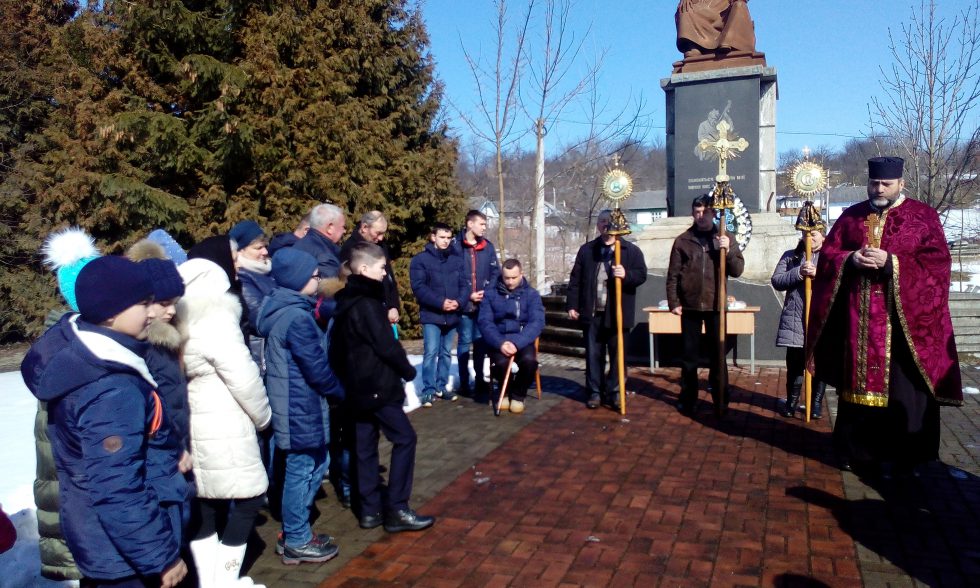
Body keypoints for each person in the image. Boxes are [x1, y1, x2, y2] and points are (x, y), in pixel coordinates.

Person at [23, 255, 187, 588]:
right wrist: (160, 557)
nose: (152, 312)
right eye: (143, 304)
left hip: (105, 539)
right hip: (124, 554)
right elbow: (117, 486)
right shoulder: (110, 387)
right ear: (111, 313)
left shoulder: (91, 356)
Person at [807, 156, 963, 476]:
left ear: (901, 184)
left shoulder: (923, 217)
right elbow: (828, 258)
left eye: (886, 184)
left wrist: (892, 263)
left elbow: (937, 268)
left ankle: (909, 456)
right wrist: (850, 259)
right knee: (856, 392)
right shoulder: (851, 217)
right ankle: (857, 452)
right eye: (874, 183)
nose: (878, 188)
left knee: (904, 391)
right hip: (860, 323)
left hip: (904, 327)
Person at [177, 257, 271, 587]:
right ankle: (224, 579)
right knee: (248, 499)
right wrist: (264, 417)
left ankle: (209, 579)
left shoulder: (180, 321)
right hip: (226, 422)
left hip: (194, 421)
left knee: (205, 502)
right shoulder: (217, 320)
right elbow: (244, 377)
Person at [330, 242, 435, 533]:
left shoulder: (345, 300)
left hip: (357, 387)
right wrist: (406, 369)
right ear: (364, 268)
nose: (384, 273)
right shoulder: (366, 303)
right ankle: (397, 508)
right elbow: (385, 345)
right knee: (405, 439)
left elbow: (337, 349)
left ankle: (369, 509)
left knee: (364, 444)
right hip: (376, 384)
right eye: (380, 268)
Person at [256, 248, 345, 565]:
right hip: (298, 404)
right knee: (303, 469)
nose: (318, 279)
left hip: (294, 401)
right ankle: (296, 537)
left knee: (313, 464)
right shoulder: (297, 318)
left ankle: (296, 532)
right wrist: (340, 392)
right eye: (312, 275)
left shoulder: (283, 310)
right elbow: (316, 369)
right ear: (296, 280)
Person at [666, 195, 744, 418]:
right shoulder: (683, 240)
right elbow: (673, 275)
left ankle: (721, 398)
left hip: (715, 305)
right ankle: (688, 398)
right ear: (693, 214)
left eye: (705, 212)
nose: (701, 216)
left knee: (717, 356)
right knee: (689, 357)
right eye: (697, 212)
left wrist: (727, 250)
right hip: (689, 306)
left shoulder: (724, 237)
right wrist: (674, 302)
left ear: (713, 213)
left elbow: (737, 270)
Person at [566, 210, 648, 410]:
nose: (606, 225)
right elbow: (576, 279)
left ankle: (615, 391)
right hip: (593, 312)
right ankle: (595, 391)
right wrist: (572, 305)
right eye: (602, 222)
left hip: (618, 312)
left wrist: (626, 274)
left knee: (618, 354)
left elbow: (641, 274)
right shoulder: (587, 250)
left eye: (610, 221)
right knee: (594, 354)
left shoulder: (629, 250)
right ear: (597, 225)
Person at [477, 259, 545, 414]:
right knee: (500, 364)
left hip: (522, 339)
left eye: (514, 277)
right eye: (507, 278)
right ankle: (505, 390)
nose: (510, 282)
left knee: (530, 362)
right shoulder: (490, 294)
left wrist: (517, 342)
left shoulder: (532, 295)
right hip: (498, 339)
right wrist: (500, 343)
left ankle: (518, 395)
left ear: (521, 274)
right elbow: (485, 322)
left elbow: (537, 322)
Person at [771, 230, 827, 419]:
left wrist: (818, 273)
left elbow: (838, 280)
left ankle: (816, 404)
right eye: (806, 234)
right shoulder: (791, 256)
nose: (810, 238)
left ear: (823, 235)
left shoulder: (830, 256)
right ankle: (791, 401)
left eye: (814, 234)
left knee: (819, 364)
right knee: (794, 365)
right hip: (795, 319)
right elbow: (777, 280)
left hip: (820, 318)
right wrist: (798, 272)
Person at [410, 222, 467, 405]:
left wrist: (458, 302)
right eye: (442, 237)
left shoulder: (457, 260)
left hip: (452, 315)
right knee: (431, 352)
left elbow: (465, 286)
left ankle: (442, 386)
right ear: (433, 237)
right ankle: (429, 389)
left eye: (448, 238)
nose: (445, 241)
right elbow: (419, 288)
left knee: (446, 353)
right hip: (432, 315)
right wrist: (440, 303)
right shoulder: (420, 260)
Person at [454, 210, 500, 399]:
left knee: (480, 344)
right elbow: (453, 276)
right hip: (464, 306)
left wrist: (486, 292)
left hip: (482, 306)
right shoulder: (456, 246)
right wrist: (467, 296)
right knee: (464, 343)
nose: (484, 227)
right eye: (481, 223)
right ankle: (464, 382)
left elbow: (495, 273)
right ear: (469, 224)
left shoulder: (487, 247)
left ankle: (480, 379)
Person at [340, 210, 401, 325]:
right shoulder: (350, 249)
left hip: (385, 311)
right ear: (364, 227)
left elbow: (389, 278)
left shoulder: (381, 246)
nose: (381, 238)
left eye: (383, 233)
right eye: (378, 233)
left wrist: (393, 306)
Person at [675, 0, 756, 58]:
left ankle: (728, 42)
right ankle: (694, 46)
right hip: (705, 5)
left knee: (739, 5)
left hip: (726, 7)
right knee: (685, 8)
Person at [294, 203, 347, 278]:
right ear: (330, 228)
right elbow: (329, 288)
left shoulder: (299, 243)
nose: (344, 231)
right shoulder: (327, 258)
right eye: (343, 227)